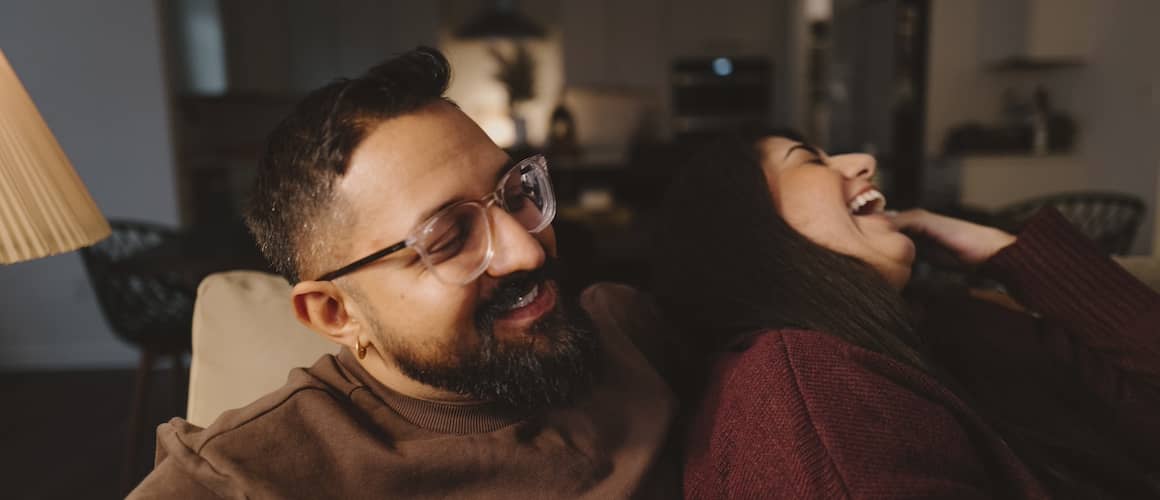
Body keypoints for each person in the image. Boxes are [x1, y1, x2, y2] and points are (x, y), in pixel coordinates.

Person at [129, 47, 678, 499]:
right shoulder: (245, 476)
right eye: (447, 239)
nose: (527, 253)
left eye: (515, 194)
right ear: (335, 312)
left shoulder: (630, 332)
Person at [652, 133, 1160, 498]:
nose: (863, 160)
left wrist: (1004, 251)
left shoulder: (947, 322)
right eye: (808, 159)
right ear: (750, 228)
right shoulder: (804, 390)